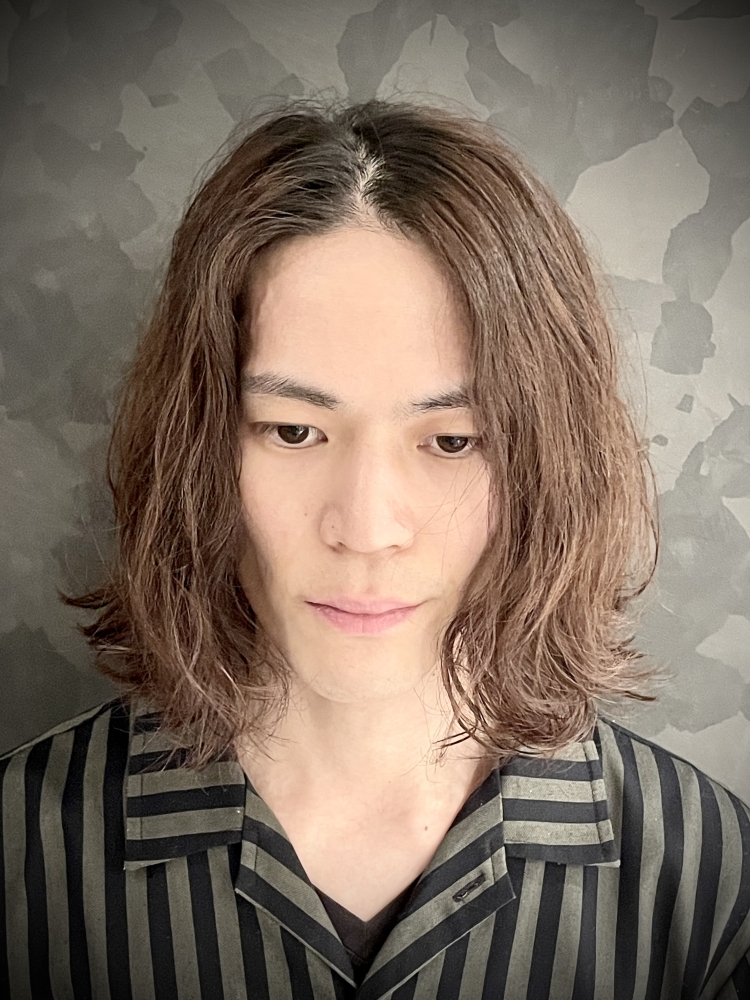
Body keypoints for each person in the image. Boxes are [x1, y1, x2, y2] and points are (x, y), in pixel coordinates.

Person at [1, 95, 748, 1000]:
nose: (365, 528)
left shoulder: (713, 884)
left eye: (452, 440)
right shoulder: (19, 853)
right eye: (292, 431)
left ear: (548, 463)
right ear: (195, 444)